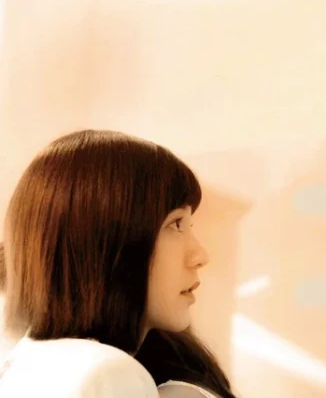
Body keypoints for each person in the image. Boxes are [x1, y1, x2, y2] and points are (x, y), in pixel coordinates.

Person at [0, 130, 213, 397]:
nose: (200, 256)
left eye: (190, 226)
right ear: (105, 240)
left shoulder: (23, 367)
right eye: (176, 224)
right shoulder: (107, 372)